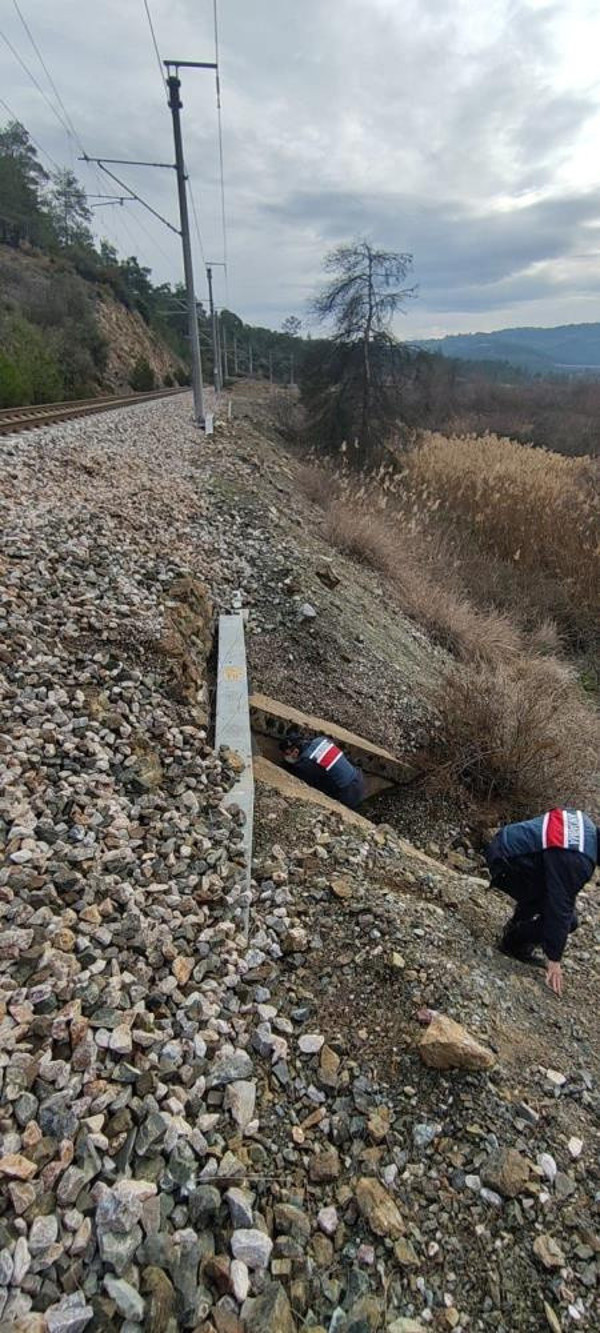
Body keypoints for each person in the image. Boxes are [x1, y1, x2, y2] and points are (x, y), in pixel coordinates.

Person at [485, 808, 598, 998]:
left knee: (546, 882)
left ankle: (516, 925)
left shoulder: (583, 822)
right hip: (507, 864)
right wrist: (554, 958)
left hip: (505, 843)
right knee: (569, 921)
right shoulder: (580, 859)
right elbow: (560, 906)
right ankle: (513, 942)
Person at [279, 730, 366, 810]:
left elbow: (309, 782)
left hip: (349, 793)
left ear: (295, 752)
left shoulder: (306, 762)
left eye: (287, 753)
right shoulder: (321, 740)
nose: (286, 756)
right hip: (359, 778)